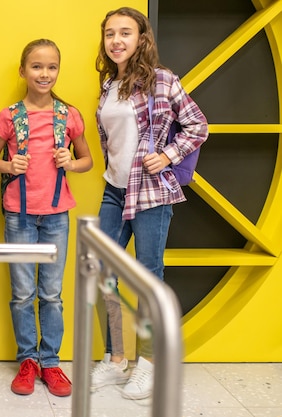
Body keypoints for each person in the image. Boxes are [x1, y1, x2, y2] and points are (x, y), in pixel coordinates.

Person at [90, 7, 208, 400]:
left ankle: (149, 364)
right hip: (114, 189)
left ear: (142, 38)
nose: (116, 41)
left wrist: (169, 155)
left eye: (125, 33)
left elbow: (198, 125)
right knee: (101, 271)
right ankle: (116, 357)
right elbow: (111, 142)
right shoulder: (107, 85)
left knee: (147, 278)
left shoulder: (161, 81)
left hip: (151, 194)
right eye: (110, 34)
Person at [0, 39, 93, 397]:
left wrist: (70, 162)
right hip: (18, 215)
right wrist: (8, 164)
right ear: (23, 71)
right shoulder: (8, 115)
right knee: (22, 293)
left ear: (58, 71)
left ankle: (50, 362)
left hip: (56, 216)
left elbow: (88, 160)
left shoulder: (69, 115)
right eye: (36, 66)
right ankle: (27, 360)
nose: (44, 73)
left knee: (52, 293)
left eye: (51, 67)